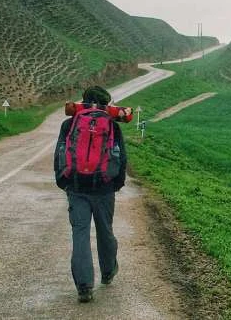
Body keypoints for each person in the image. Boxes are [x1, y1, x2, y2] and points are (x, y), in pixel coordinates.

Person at [54, 86, 127, 303]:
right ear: (107, 104)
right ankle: (107, 271)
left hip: (76, 189)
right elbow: (121, 157)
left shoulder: (69, 124)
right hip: (104, 189)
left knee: (80, 235)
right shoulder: (112, 125)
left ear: (84, 101)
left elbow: (60, 152)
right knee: (105, 232)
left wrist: (63, 181)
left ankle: (84, 287)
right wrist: (117, 183)